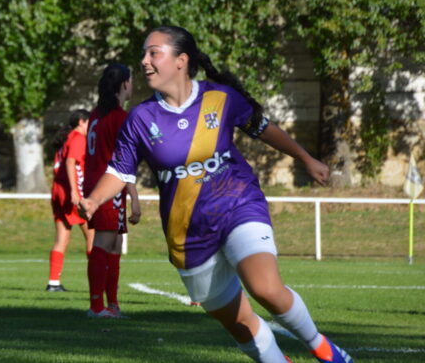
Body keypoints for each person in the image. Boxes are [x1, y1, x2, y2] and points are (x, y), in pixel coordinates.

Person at [79, 26, 353, 363]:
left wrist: (305, 158)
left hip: (239, 203)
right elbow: (120, 172)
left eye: (154, 53)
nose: (144, 61)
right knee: (239, 324)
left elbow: (263, 128)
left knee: (265, 288)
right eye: (144, 54)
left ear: (181, 60)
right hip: (187, 232)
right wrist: (94, 200)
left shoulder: (221, 98)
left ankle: (324, 349)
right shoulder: (139, 118)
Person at [83, 63, 141, 318]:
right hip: (107, 187)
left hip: (95, 183)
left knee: (115, 244)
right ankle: (96, 307)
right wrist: (135, 199)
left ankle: (112, 305)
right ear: (124, 84)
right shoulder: (119, 117)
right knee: (103, 242)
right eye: (131, 80)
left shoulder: (96, 115)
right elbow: (124, 162)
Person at [46, 109, 94, 292]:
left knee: (62, 238)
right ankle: (99, 281)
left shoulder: (65, 139)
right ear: (81, 122)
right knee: (93, 235)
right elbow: (71, 162)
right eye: (89, 122)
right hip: (71, 193)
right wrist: (75, 192)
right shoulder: (78, 138)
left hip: (58, 192)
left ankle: (53, 283)